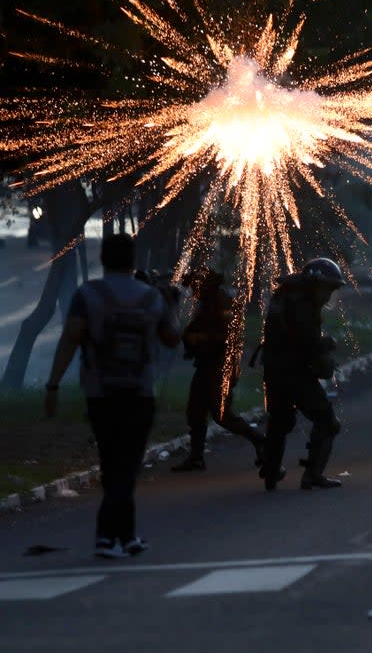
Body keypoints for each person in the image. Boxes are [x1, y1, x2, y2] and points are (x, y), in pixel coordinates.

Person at [44, 233, 180, 559]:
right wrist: (169, 303)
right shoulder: (150, 297)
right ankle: (110, 537)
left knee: (112, 462)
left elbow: (71, 338)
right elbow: (173, 338)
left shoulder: (87, 295)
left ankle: (126, 536)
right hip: (139, 392)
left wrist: (53, 385)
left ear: (103, 260)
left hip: (100, 392)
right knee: (127, 465)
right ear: (133, 260)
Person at [258, 258, 347, 491]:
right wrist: (326, 346)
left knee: (279, 422)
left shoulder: (287, 296)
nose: (328, 295)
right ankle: (313, 474)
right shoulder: (302, 306)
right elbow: (306, 345)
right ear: (314, 284)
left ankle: (271, 472)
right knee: (327, 422)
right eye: (326, 289)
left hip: (275, 370)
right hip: (294, 373)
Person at [171, 268, 265, 472]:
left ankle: (260, 441)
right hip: (206, 365)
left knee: (221, 414)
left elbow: (231, 338)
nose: (193, 291)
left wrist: (202, 338)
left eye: (196, 286)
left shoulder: (222, 303)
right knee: (195, 411)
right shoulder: (206, 304)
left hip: (221, 366)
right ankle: (196, 457)